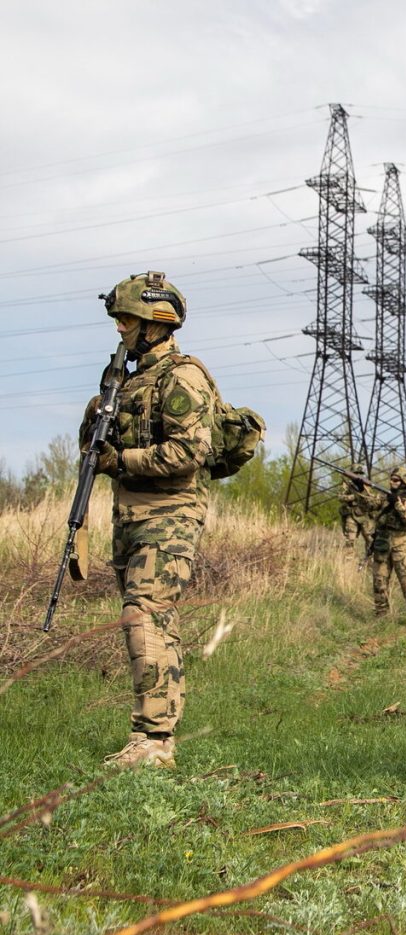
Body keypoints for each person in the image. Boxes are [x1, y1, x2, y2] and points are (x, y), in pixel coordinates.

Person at [81, 271, 217, 769]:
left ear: (155, 321)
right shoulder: (124, 379)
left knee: (144, 615)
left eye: (126, 319)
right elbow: (94, 449)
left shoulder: (183, 377)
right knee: (152, 620)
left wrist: (123, 462)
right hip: (130, 516)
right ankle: (159, 734)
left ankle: (154, 741)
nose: (119, 329)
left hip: (171, 514)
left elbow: (189, 451)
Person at [368, 466, 406, 625]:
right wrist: (360, 488)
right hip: (383, 544)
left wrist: (397, 505)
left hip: (401, 545)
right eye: (391, 479)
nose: (392, 482)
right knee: (379, 581)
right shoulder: (384, 498)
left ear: (404, 482)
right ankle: (381, 617)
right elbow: (369, 505)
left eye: (396, 479)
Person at [339, 464, 375, 555]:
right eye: (356, 473)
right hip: (352, 515)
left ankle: (369, 561)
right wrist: (353, 497)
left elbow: (372, 500)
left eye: (360, 473)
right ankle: (348, 563)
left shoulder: (367, 485)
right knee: (350, 541)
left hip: (365, 515)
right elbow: (340, 497)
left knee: (370, 540)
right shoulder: (346, 484)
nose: (358, 475)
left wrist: (362, 490)